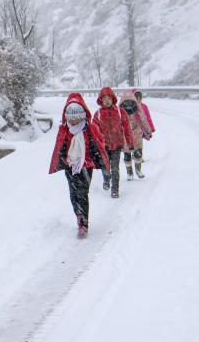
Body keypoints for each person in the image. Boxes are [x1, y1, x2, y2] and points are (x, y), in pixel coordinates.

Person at [49, 93, 109, 239]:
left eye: (77, 115)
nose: (74, 119)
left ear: (83, 113)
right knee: (73, 194)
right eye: (71, 115)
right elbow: (60, 147)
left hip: (86, 166)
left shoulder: (90, 128)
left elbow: (99, 144)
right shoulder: (64, 129)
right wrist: (63, 161)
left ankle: (83, 224)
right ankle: (78, 215)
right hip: (70, 167)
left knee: (82, 194)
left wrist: (99, 160)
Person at [93, 87, 134, 198]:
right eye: (104, 99)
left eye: (108, 98)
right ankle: (106, 179)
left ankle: (115, 189)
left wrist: (130, 143)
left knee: (115, 168)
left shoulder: (120, 112)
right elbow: (94, 131)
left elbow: (127, 128)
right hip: (103, 146)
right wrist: (95, 145)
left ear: (113, 99)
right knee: (105, 166)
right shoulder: (98, 114)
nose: (106, 101)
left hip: (117, 145)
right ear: (101, 101)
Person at [119, 90, 153, 179]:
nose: (128, 106)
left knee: (136, 153)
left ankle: (137, 170)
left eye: (130, 103)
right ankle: (130, 173)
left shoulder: (137, 108)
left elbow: (143, 119)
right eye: (126, 104)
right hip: (125, 135)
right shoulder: (119, 111)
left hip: (136, 134)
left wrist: (148, 130)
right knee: (128, 154)